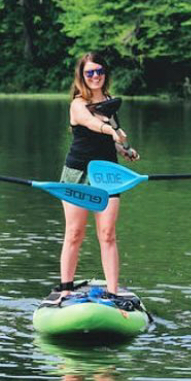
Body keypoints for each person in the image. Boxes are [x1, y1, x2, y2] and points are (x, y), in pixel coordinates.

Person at [55, 52, 138, 296]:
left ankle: (113, 292)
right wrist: (110, 131)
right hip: (77, 173)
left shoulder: (110, 102)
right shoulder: (78, 104)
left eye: (99, 71)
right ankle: (66, 290)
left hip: (107, 175)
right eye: (89, 72)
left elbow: (106, 139)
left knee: (108, 233)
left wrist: (124, 149)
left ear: (105, 73)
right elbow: (92, 125)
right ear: (82, 76)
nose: (95, 76)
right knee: (74, 233)